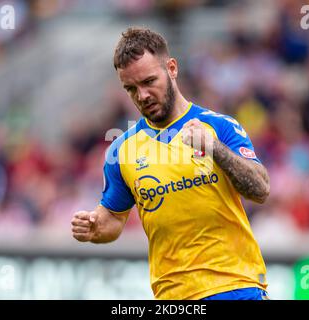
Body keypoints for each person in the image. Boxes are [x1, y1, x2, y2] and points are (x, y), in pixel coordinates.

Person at [71, 27, 270, 300]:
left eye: (149, 81)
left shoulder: (218, 127)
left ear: (172, 68)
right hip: (172, 296)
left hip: (235, 286)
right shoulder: (122, 150)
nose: (142, 96)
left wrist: (214, 149)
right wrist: (95, 227)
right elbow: (113, 218)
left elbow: (260, 189)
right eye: (131, 89)